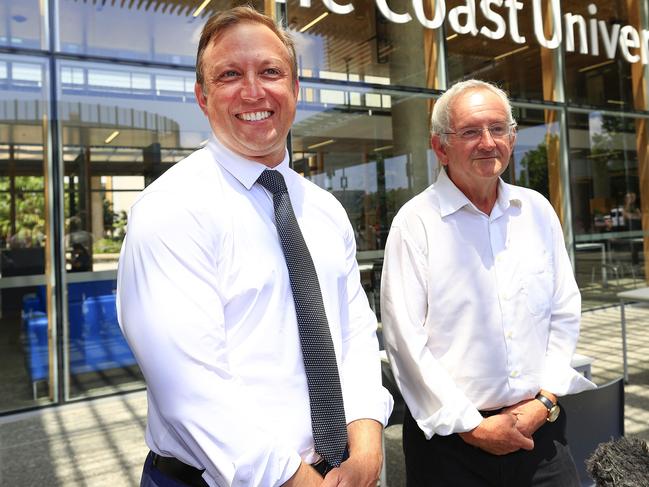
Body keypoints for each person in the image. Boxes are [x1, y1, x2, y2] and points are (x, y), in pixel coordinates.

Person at [117, 6, 392, 487]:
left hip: (337, 469)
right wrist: (297, 480)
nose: (252, 91)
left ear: (295, 90)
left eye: (270, 72)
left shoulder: (324, 209)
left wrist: (367, 442)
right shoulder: (170, 208)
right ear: (202, 97)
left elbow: (354, 337)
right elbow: (190, 389)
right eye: (229, 75)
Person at [380, 79, 596, 487]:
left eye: (498, 129)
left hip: (539, 430)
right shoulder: (415, 224)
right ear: (440, 147)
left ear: (512, 138)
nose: (488, 142)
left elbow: (565, 310)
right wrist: (472, 428)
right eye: (470, 132)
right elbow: (404, 342)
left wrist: (545, 401)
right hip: (450, 448)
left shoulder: (536, 211)